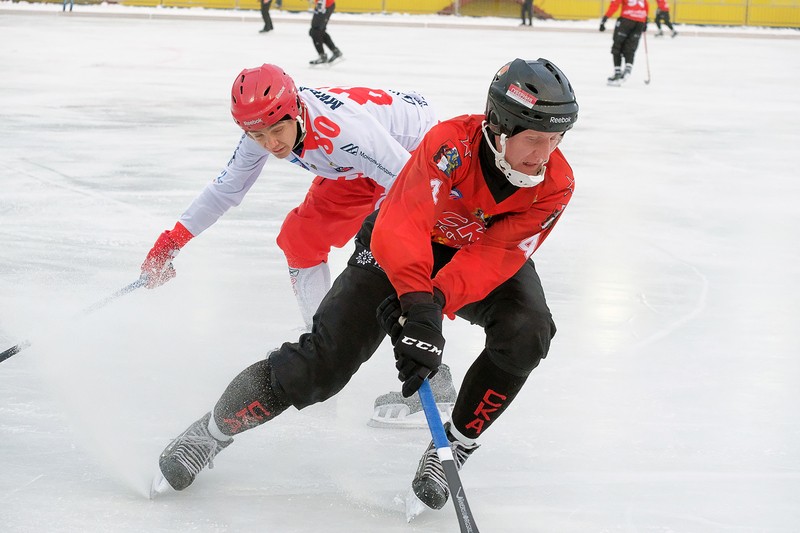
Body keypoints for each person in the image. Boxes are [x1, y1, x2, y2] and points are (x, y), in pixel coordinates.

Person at [152, 57, 579, 516]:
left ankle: (453, 448)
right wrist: (414, 298)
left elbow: (498, 253)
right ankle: (208, 434)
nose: (544, 153)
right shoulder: (449, 144)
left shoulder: (556, 182)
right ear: (499, 126)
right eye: (534, 138)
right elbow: (402, 222)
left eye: (555, 139)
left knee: (528, 330)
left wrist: (432, 306)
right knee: (324, 363)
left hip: (474, 250)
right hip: (402, 237)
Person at [139, 64, 456, 428]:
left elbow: (409, 187)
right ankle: (323, 341)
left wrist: (382, 250)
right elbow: (226, 189)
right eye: (257, 135)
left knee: (388, 264)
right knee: (300, 239)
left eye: (277, 130)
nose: (271, 144)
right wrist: (171, 243)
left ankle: (435, 378)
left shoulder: (343, 131)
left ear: (296, 112)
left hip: (412, 155)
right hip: (359, 166)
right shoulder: (265, 128)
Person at [599, 0, 649, 85]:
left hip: (626, 20)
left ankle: (617, 72)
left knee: (617, 46)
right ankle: (627, 69)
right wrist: (645, 21)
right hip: (640, 21)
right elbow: (645, 5)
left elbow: (615, 4)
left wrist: (605, 19)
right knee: (630, 47)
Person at [309, 0, 342, 65]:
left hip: (325, 5)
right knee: (316, 31)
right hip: (323, 5)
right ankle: (334, 51)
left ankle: (323, 56)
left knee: (315, 31)